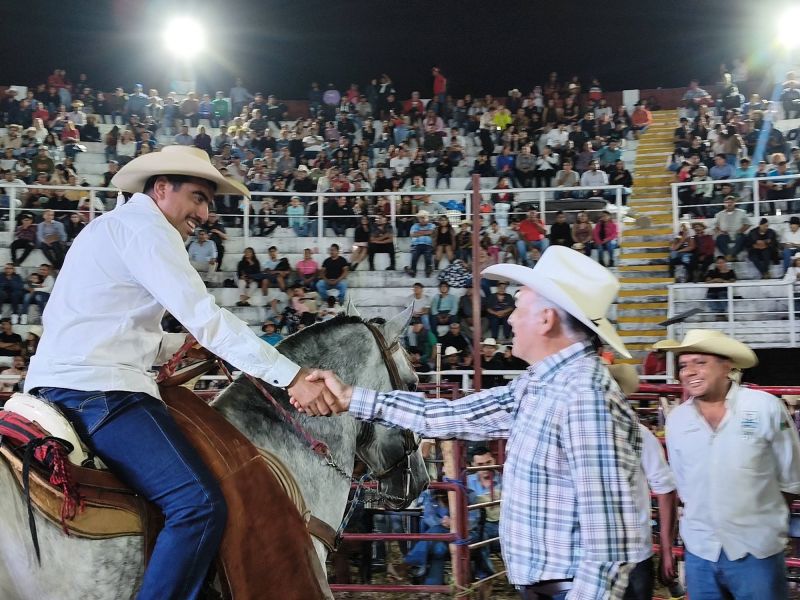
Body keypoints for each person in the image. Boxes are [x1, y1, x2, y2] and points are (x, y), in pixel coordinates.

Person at [23, 145, 329, 600]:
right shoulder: (150, 232)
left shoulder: (107, 228)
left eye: (207, 201)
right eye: (198, 197)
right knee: (200, 505)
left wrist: (173, 345)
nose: (204, 213)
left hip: (51, 384)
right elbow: (207, 319)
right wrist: (290, 375)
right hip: (102, 392)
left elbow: (107, 323)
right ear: (162, 188)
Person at [298, 247, 643, 600]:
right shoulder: (543, 384)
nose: (509, 319)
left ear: (546, 319)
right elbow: (456, 415)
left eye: (519, 307)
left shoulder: (584, 397)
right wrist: (351, 398)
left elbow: (609, 543)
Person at [654, 330, 800, 600]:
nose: (689, 372)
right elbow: (683, 484)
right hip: (700, 549)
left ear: (727, 366)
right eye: (684, 365)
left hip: (757, 548)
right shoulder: (678, 421)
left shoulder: (765, 408)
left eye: (700, 362)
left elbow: (791, 477)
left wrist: (765, 523)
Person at [466, 446, 502, 580]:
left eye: (488, 462)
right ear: (473, 465)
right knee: (480, 535)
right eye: (480, 464)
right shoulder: (467, 481)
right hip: (477, 526)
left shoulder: (504, 479)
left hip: (502, 524)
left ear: (494, 460)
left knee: (482, 536)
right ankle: (484, 574)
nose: (485, 467)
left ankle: (484, 575)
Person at [714, 196, 749, 260]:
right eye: (727, 202)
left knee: (742, 237)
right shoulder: (719, 214)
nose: (729, 204)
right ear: (724, 204)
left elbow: (747, 224)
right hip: (725, 235)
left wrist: (741, 230)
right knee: (719, 238)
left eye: (731, 202)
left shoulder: (742, 212)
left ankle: (729, 256)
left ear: (734, 203)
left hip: (737, 234)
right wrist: (721, 231)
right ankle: (731, 255)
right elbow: (715, 226)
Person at [405, 210, 436, 278]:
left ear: (428, 218)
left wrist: (419, 233)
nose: (422, 219)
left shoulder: (432, 225)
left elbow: (430, 232)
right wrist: (425, 233)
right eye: (420, 217)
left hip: (428, 245)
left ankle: (428, 270)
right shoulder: (414, 225)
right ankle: (413, 271)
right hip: (416, 245)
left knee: (428, 255)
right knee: (414, 256)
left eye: (424, 217)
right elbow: (413, 234)